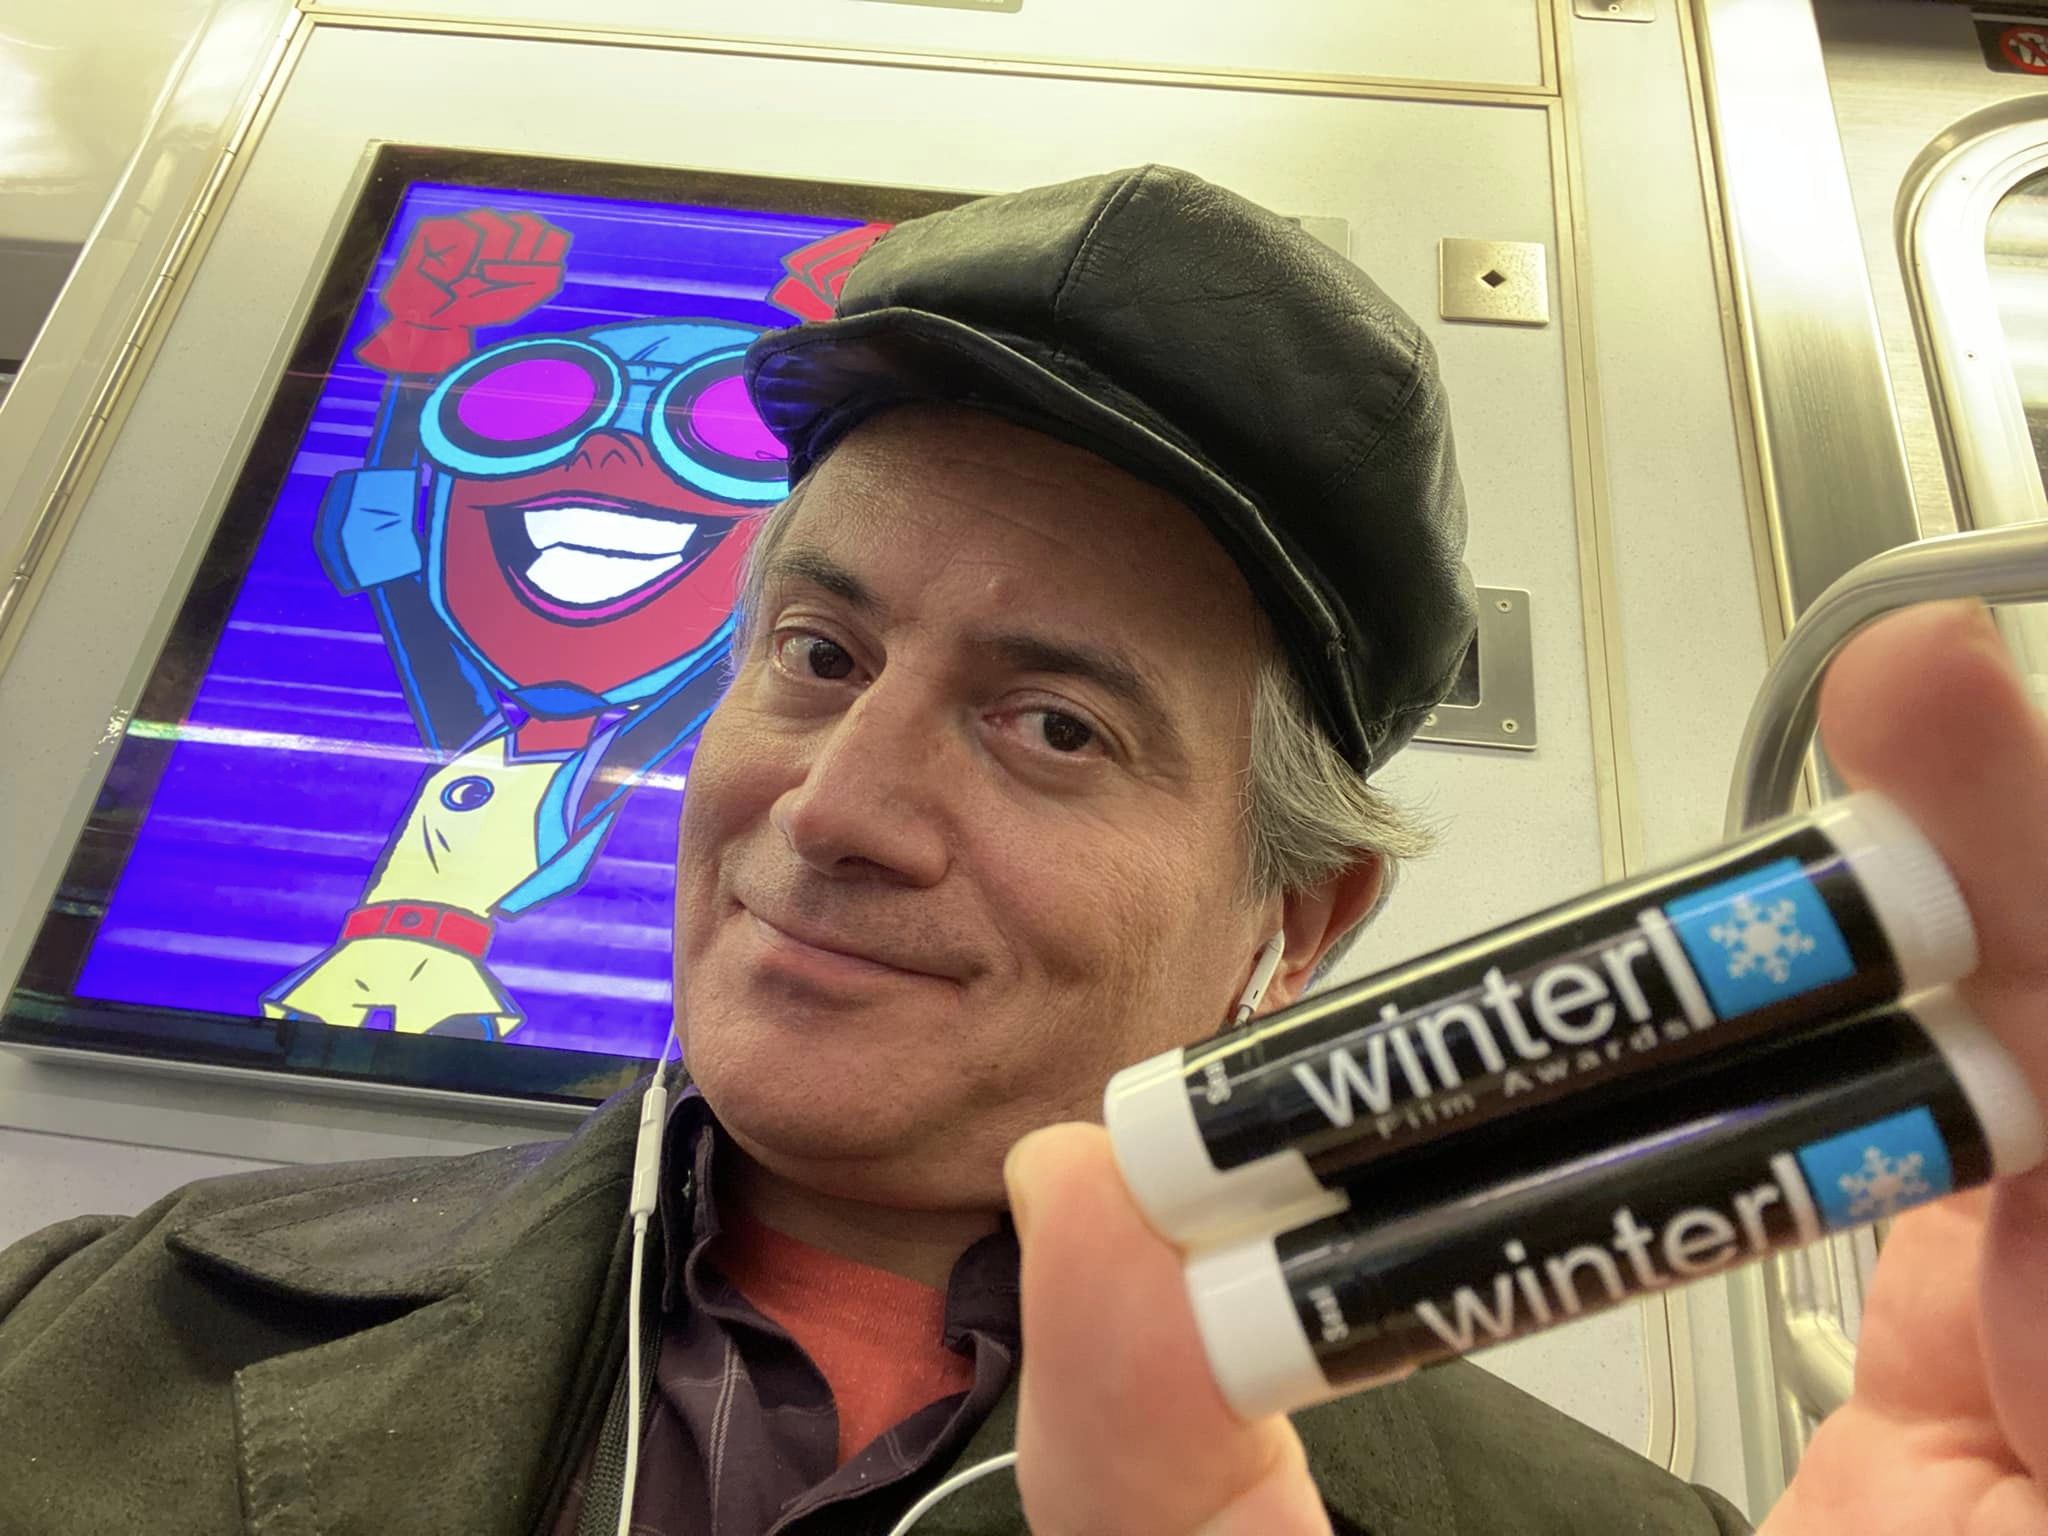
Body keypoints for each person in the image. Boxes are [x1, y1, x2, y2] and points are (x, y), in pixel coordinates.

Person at [1, 166, 2042, 1536]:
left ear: (1298, 917)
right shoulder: (84, 1335)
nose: (835, 807)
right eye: (819, 654)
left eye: (1052, 725)